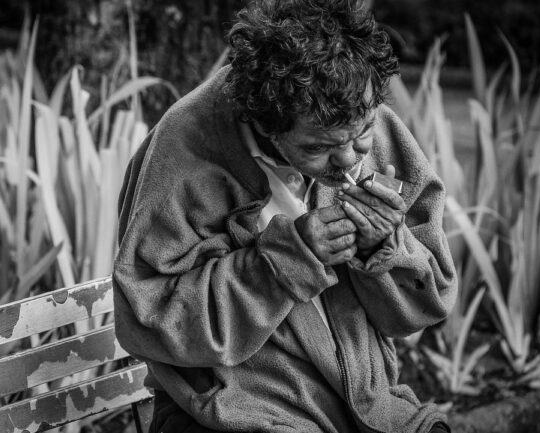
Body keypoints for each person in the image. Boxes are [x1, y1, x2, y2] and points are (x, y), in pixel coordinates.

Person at [113, 0, 457, 431]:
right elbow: (150, 319)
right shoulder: (184, 150)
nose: (350, 160)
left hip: (367, 405)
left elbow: (431, 301)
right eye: (319, 147)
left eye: (364, 131)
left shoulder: (354, 107)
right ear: (265, 123)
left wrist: (384, 247)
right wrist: (284, 261)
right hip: (232, 415)